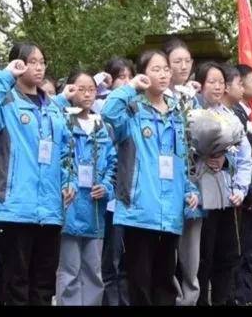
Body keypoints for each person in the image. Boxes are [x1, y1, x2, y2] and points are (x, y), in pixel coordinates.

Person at [0, 42, 76, 306]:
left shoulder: (53, 108)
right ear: (17, 64)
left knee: (43, 284)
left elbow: (65, 151)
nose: (39, 67)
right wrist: (6, 75)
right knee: (15, 282)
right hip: (16, 207)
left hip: (50, 209)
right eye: (31, 61)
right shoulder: (5, 103)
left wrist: (68, 182)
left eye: (42, 61)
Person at [100, 50, 199, 306]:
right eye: (155, 69)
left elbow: (183, 159)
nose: (163, 74)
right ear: (143, 74)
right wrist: (131, 87)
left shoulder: (177, 112)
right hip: (139, 210)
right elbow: (108, 112)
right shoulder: (131, 110)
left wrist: (190, 190)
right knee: (140, 281)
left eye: (165, 68)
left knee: (165, 279)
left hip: (171, 210)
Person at [54, 71, 117, 306]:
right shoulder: (61, 122)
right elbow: (57, 160)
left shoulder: (102, 126)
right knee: (69, 270)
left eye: (91, 88)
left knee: (93, 270)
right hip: (69, 205)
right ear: (70, 90)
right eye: (81, 88)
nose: (87, 93)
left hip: (95, 208)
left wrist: (107, 187)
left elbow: (113, 163)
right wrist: (65, 182)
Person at [194, 62, 252, 306]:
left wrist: (240, 188)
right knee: (202, 256)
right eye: (212, 81)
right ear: (200, 84)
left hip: (226, 195)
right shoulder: (191, 112)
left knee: (226, 254)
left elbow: (244, 158)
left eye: (221, 82)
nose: (217, 87)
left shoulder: (231, 116)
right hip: (198, 195)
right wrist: (203, 156)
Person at [163, 39, 205, 307]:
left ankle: (190, 298)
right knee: (167, 252)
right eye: (176, 61)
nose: (182, 66)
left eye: (187, 61)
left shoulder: (194, 100)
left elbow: (204, 136)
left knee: (192, 252)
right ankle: (172, 297)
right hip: (165, 185)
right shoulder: (156, 98)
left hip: (193, 181)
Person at [95, 57, 134, 307]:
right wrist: (100, 84)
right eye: (121, 77)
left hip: (133, 196)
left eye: (130, 77)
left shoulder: (139, 108)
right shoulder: (102, 106)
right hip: (111, 195)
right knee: (110, 261)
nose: (127, 83)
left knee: (129, 262)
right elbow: (105, 110)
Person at [228, 64, 252, 307]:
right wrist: (251, 189)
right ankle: (239, 297)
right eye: (251, 80)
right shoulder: (235, 115)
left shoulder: (248, 112)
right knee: (238, 251)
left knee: (247, 251)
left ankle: (246, 297)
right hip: (240, 192)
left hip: (251, 191)